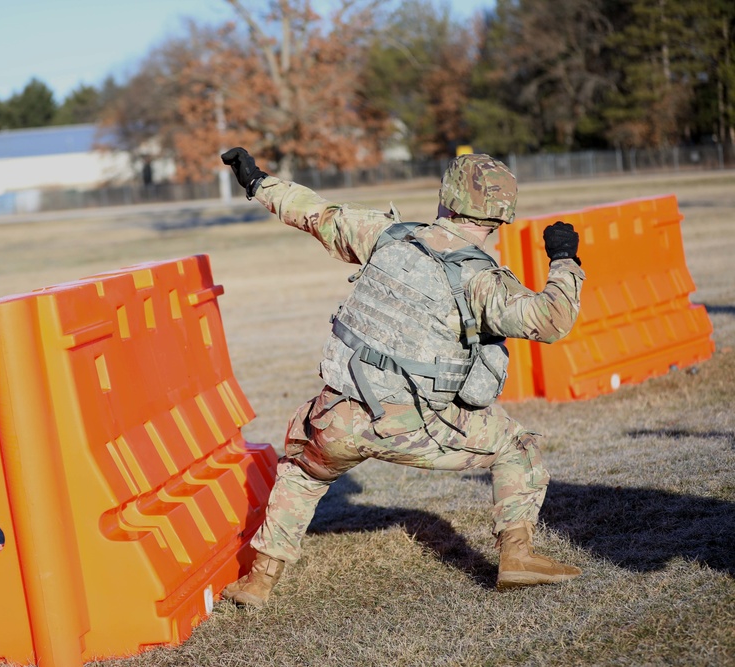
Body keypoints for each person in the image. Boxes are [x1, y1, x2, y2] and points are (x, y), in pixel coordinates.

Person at [218, 147, 586, 607]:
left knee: (302, 472)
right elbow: (551, 320)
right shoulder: (483, 281)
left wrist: (257, 182)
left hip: (337, 420)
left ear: (445, 197)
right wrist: (565, 259)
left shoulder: (385, 236)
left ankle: (259, 581)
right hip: (412, 427)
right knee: (518, 445)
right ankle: (518, 555)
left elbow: (314, 213)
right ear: (499, 218)